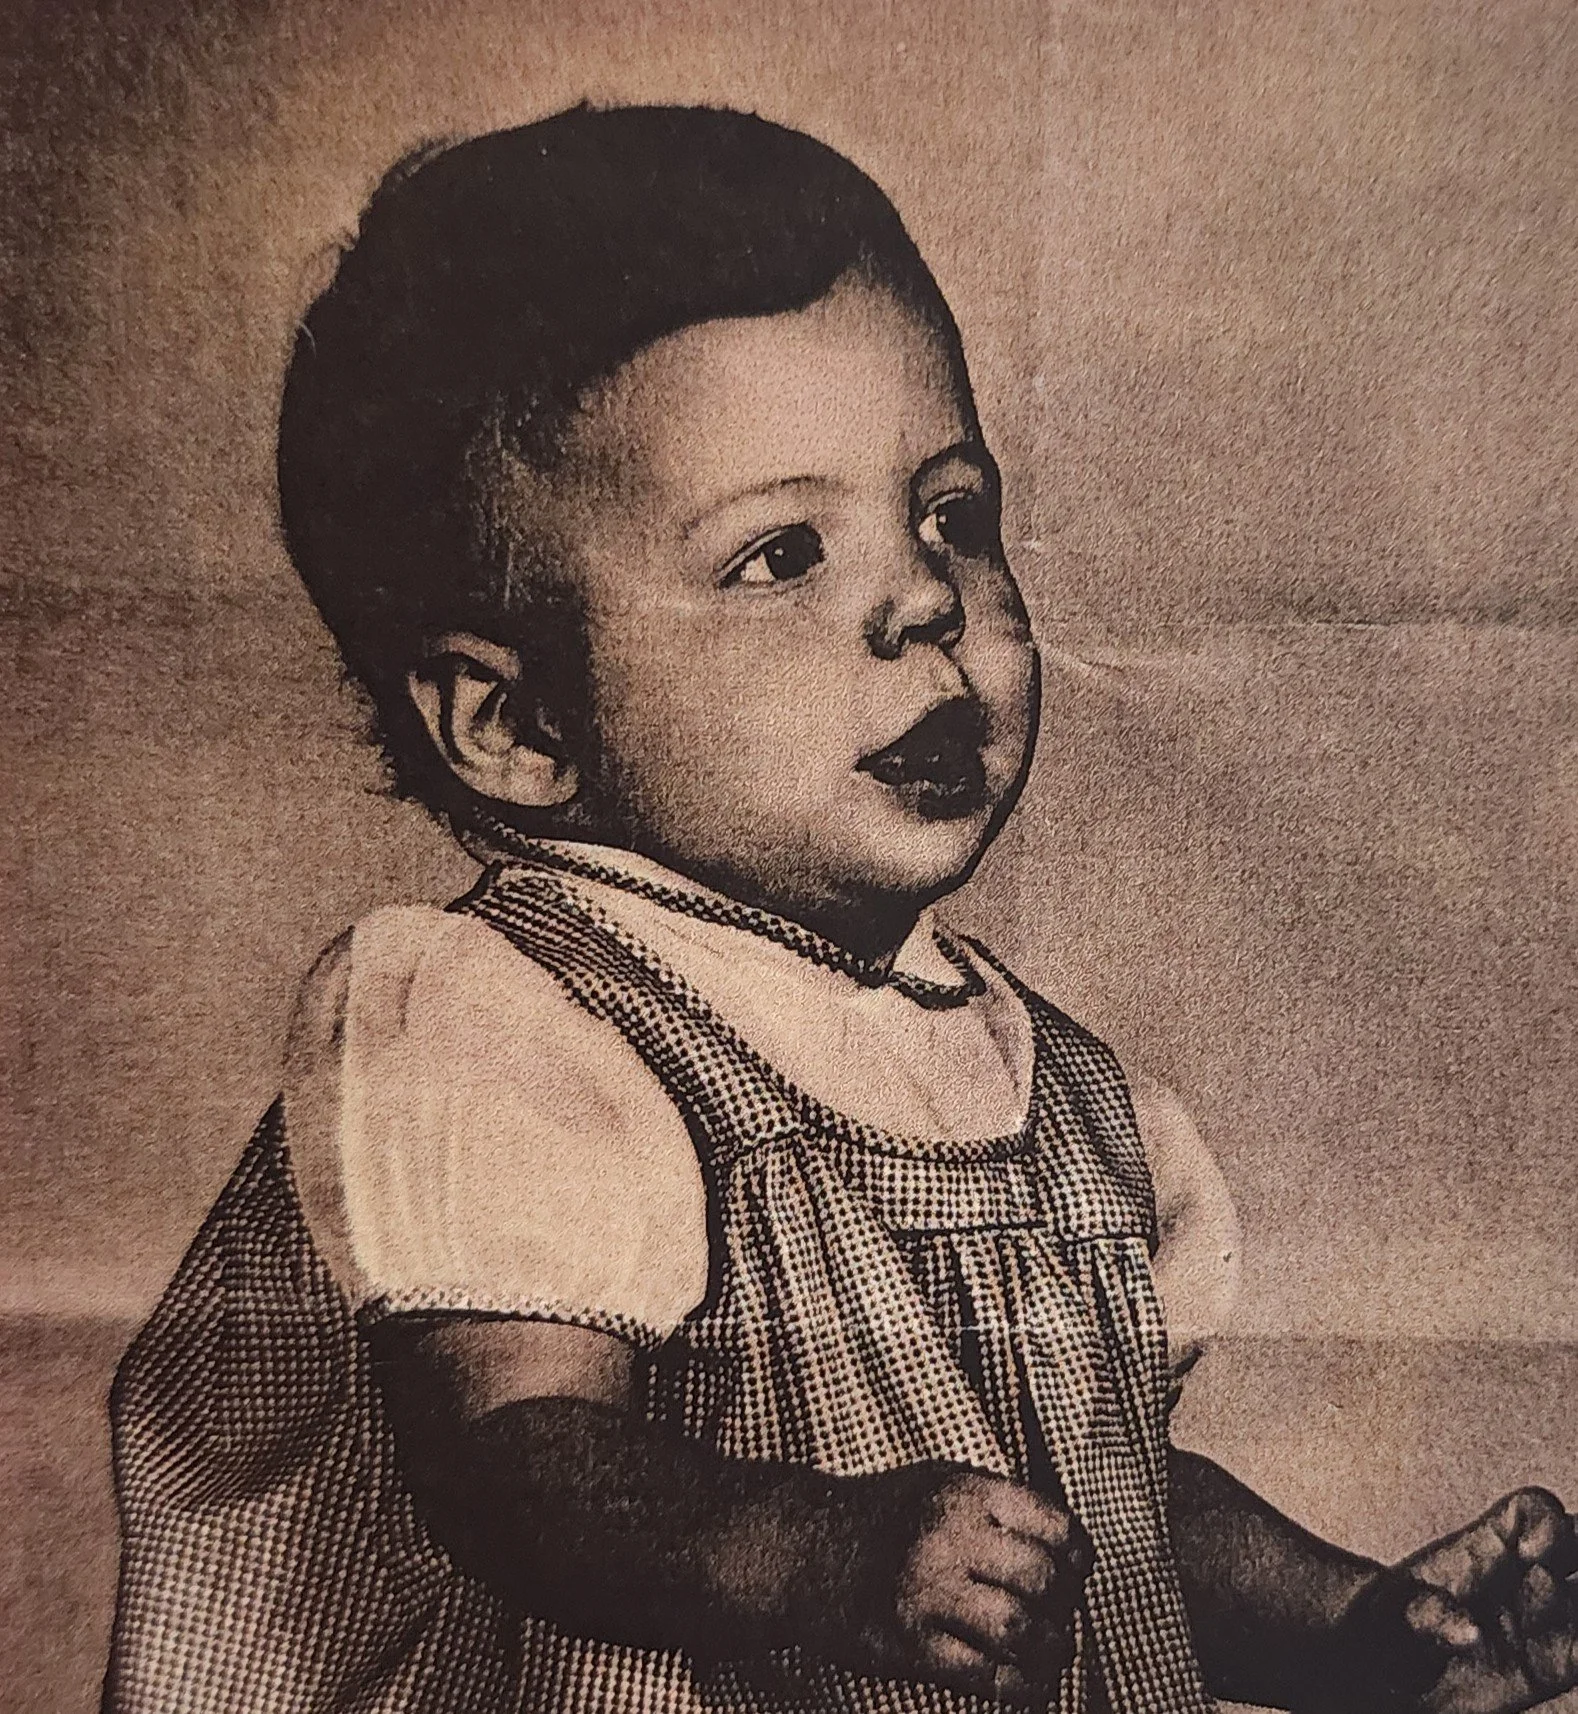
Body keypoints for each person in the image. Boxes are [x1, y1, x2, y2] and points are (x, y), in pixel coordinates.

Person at [104, 104, 1578, 1714]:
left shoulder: (1061, 1092)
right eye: (780, 554)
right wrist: (820, 1552)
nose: (923, 594)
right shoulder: (497, 1015)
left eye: (949, 512)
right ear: (518, 728)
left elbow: (1093, 1524)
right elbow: (517, 1462)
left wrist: (1349, 1631)